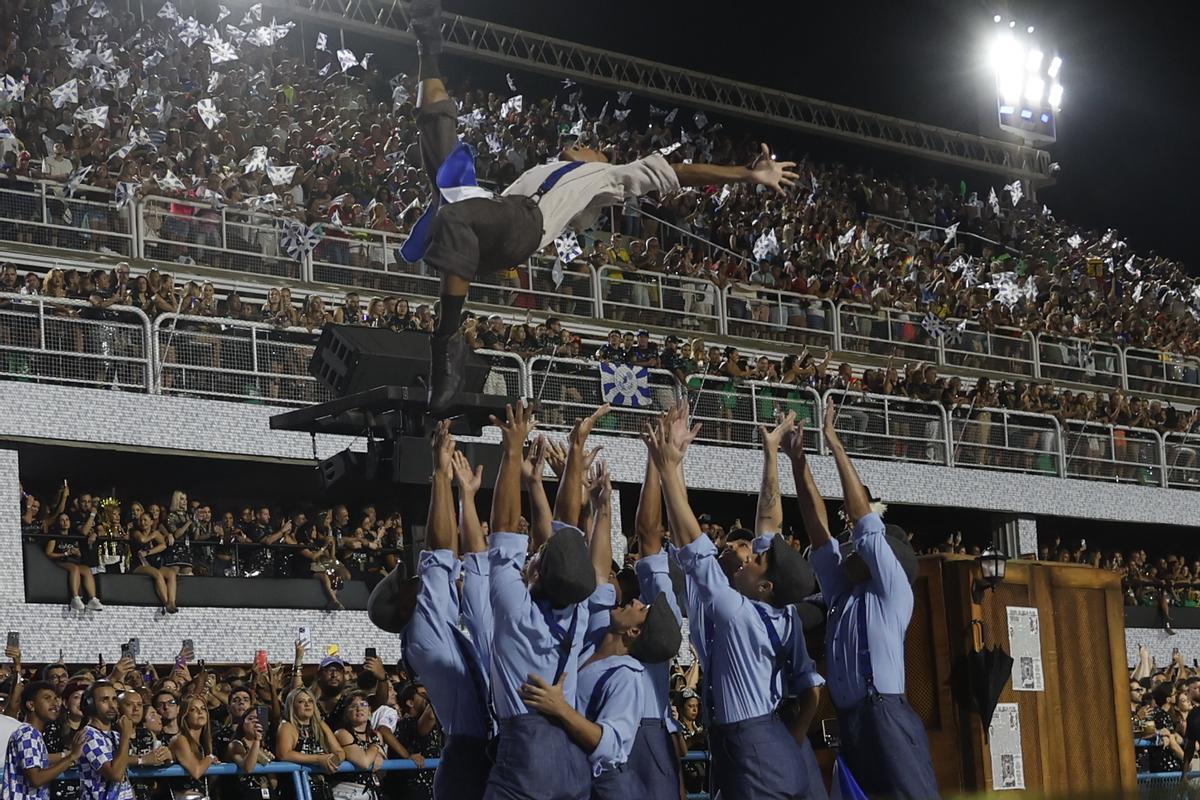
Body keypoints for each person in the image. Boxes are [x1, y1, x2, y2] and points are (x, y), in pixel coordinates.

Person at [400, 0, 799, 413]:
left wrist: (747, 174)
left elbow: (680, 172)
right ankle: (427, 42)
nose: (579, 144)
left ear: (602, 159)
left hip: (521, 227)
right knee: (440, 135)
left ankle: (446, 343)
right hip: (495, 212)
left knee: (453, 211)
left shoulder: (609, 177)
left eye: (590, 146)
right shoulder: (546, 166)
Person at [645, 405, 823, 800]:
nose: (746, 553)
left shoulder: (736, 609)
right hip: (763, 738)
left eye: (753, 557)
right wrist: (771, 453)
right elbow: (768, 525)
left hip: (754, 743)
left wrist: (669, 467)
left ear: (766, 587)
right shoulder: (779, 610)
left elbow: (691, 537)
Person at [786, 402, 939, 798]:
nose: (850, 552)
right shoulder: (843, 593)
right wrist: (798, 461)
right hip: (851, 716)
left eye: (859, 551)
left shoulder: (890, 588)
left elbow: (866, 525)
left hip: (886, 711)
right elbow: (819, 535)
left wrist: (835, 446)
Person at [519, 460, 683, 800]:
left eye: (642, 610)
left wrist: (560, 709)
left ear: (635, 633)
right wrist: (600, 508)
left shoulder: (627, 676)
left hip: (609, 786)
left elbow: (610, 746)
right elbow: (597, 574)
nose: (636, 601)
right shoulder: (597, 631)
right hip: (577, 775)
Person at [481, 401, 605, 800]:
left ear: (535, 572)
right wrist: (574, 451)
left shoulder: (516, 609)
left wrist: (512, 450)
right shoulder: (579, 610)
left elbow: (502, 528)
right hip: (573, 759)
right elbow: (568, 533)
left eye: (536, 557)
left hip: (526, 759)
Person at [367, 420, 493, 800]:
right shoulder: (423, 627)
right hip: (471, 755)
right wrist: (440, 475)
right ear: (406, 603)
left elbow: (455, 563)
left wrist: (461, 494)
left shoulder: (425, 628)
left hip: (469, 752)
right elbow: (440, 551)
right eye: (410, 581)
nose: (418, 578)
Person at [2, 681, 86, 800]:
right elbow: (36, 779)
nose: (55, 703)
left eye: (56, 698)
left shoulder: (32, 733)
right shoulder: (28, 734)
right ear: (31, 705)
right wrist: (71, 757)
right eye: (47, 698)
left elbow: (40, 760)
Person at [77, 682, 136, 800]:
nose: (112, 705)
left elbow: (123, 775)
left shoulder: (116, 735)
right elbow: (115, 774)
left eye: (114, 699)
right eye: (105, 700)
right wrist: (125, 735)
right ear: (91, 705)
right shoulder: (88, 736)